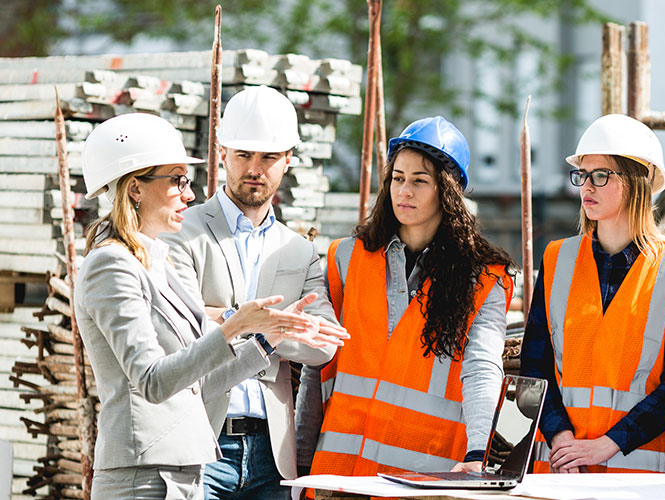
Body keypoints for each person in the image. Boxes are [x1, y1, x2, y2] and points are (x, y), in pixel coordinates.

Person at [74, 112, 347, 500]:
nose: (189, 194)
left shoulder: (152, 261)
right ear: (135, 188)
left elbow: (197, 383)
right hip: (143, 473)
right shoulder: (111, 264)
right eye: (177, 180)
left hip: (177, 470)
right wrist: (236, 325)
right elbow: (152, 381)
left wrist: (266, 339)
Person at [161, 86, 344, 499]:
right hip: (200, 439)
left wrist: (229, 318)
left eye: (268, 157)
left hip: (270, 452)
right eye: (244, 155)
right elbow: (182, 333)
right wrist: (274, 326)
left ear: (288, 159)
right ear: (223, 152)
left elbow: (324, 346)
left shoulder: (298, 250)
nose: (255, 168)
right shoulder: (182, 233)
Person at [309, 116, 515, 476]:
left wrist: (477, 452)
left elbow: (482, 368)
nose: (404, 191)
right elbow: (318, 368)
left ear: (449, 190)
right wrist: (299, 457)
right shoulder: (347, 257)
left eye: (420, 181)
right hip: (340, 475)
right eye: (398, 178)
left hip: (422, 477)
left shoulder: (482, 278)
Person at [521, 114, 665, 473]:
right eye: (582, 174)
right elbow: (534, 366)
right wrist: (560, 437)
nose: (586, 187)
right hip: (560, 471)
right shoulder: (557, 259)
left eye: (601, 175)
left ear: (637, 180)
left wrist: (606, 445)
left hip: (636, 479)